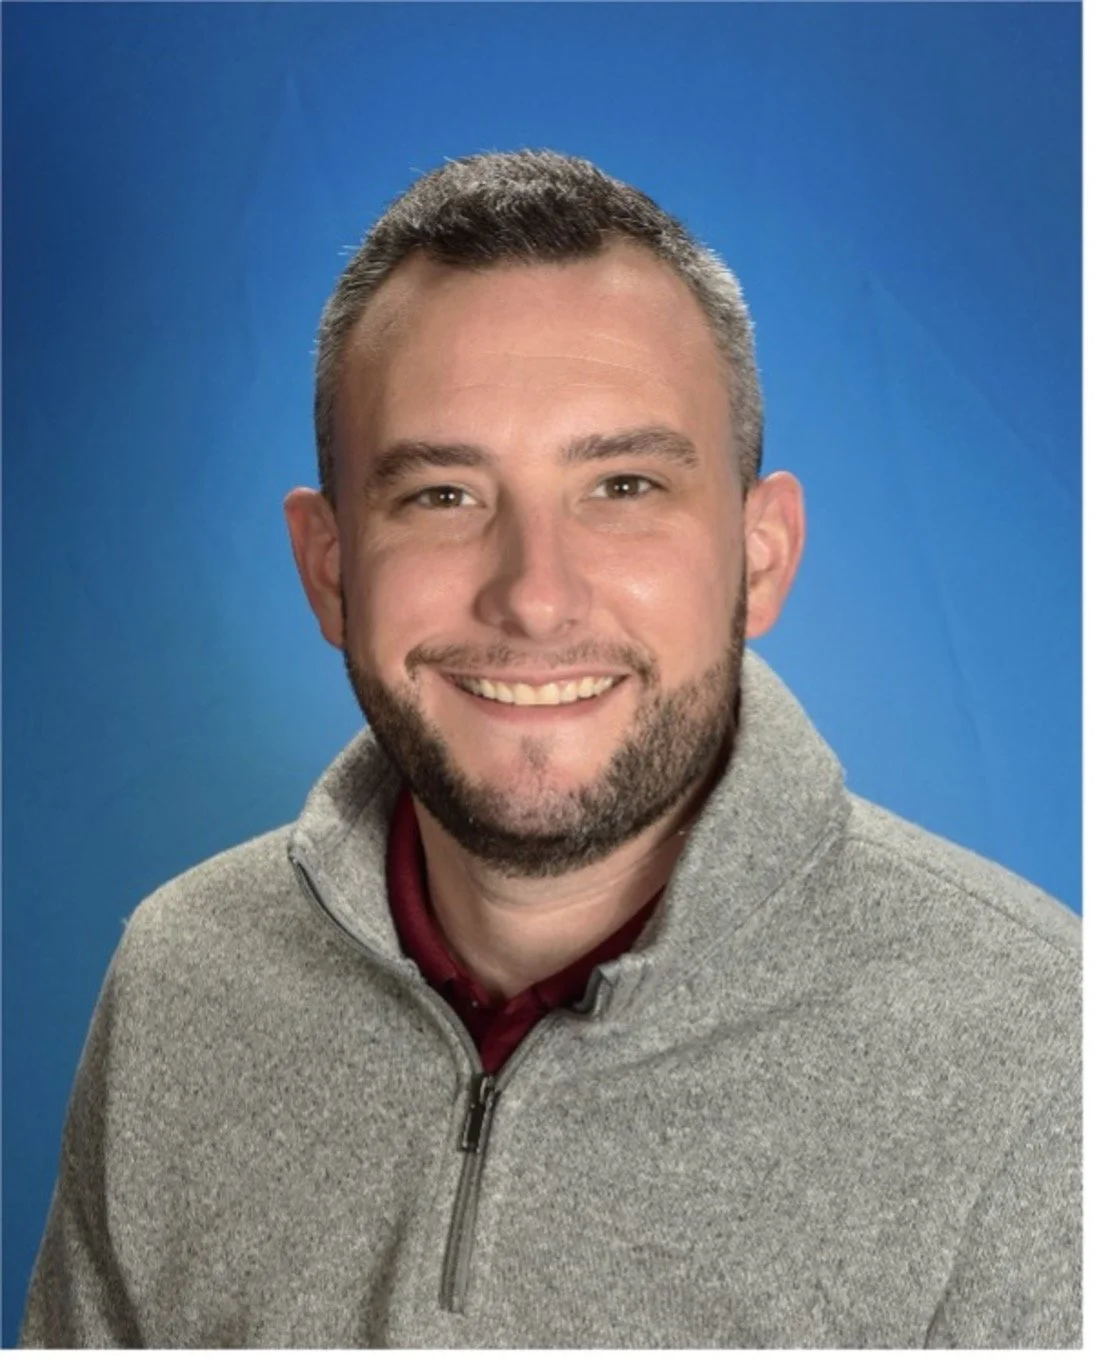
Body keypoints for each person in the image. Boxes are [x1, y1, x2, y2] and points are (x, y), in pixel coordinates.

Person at [22, 149, 1079, 1349]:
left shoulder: (1039, 1052)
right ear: (329, 571)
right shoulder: (180, 980)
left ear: (762, 556)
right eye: (443, 495)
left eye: (623, 486)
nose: (534, 596)